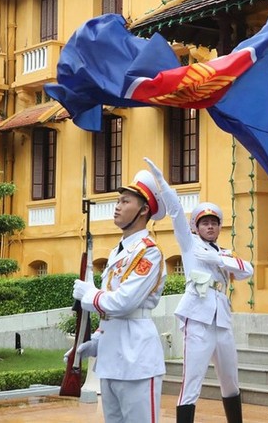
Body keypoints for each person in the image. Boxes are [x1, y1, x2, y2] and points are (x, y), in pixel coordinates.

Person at [144, 158, 253, 423]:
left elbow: (247, 270)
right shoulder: (190, 244)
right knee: (191, 384)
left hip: (222, 322)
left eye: (214, 223)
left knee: (231, 383)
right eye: (205, 223)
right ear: (196, 227)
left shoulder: (224, 253)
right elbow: (177, 212)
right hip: (198, 321)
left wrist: (220, 260)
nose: (210, 227)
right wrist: (162, 184)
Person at [71, 169, 167, 423]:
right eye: (118, 201)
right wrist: (97, 341)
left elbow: (124, 303)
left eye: (125, 202)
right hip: (112, 357)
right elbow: (111, 310)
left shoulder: (149, 253)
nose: (117, 207)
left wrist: (89, 295)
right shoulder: (118, 251)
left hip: (137, 358)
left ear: (143, 210)